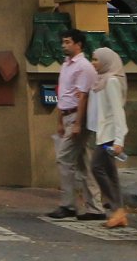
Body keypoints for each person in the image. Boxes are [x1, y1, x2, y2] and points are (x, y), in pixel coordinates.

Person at [46, 29, 105, 220]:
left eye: (68, 42)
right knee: (83, 163)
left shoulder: (83, 67)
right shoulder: (66, 65)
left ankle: (68, 204)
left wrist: (78, 123)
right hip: (68, 115)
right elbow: (64, 94)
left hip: (77, 117)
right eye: (63, 42)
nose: (64, 45)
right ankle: (94, 207)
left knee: (64, 158)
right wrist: (60, 121)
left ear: (78, 44)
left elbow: (83, 97)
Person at [87, 47, 129, 228]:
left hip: (110, 135)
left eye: (96, 60)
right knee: (111, 173)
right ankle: (118, 212)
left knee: (96, 167)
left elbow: (118, 111)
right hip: (102, 133)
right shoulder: (100, 80)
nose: (93, 63)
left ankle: (116, 208)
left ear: (106, 62)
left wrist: (119, 140)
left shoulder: (111, 81)